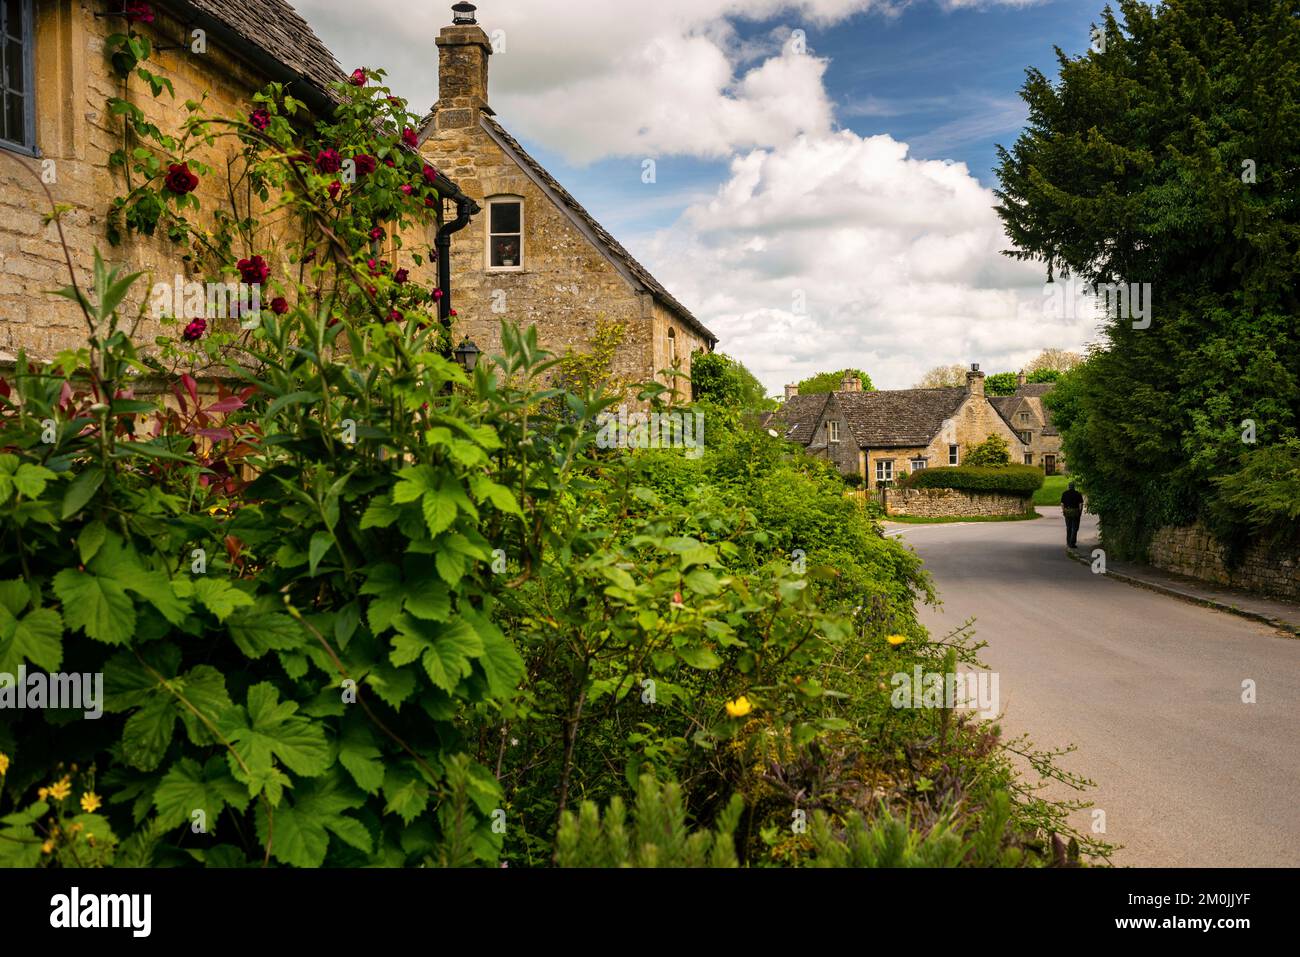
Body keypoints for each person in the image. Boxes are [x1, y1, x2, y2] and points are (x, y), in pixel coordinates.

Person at [1060, 481, 1084, 549]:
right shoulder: (1078, 494)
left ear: (1068, 487)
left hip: (1067, 511)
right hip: (1075, 512)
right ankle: (1072, 543)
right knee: (1075, 528)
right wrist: (1080, 512)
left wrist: (1064, 510)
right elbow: (1081, 504)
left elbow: (1062, 504)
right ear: (1074, 487)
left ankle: (1068, 542)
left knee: (1068, 527)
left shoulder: (1064, 493)